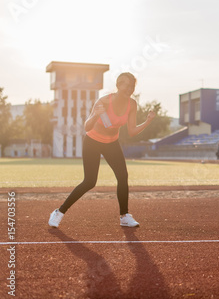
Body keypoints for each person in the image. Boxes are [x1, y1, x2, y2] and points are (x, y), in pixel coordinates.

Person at [48, 73, 156, 228]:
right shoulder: (104, 101)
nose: (129, 88)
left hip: (111, 143)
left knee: (122, 176)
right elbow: (87, 126)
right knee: (90, 182)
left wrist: (148, 121)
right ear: (118, 85)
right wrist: (96, 115)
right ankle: (58, 212)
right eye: (126, 85)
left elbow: (131, 131)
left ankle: (124, 216)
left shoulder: (132, 104)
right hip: (92, 141)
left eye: (132, 86)